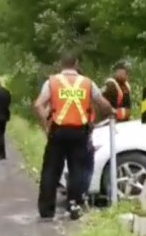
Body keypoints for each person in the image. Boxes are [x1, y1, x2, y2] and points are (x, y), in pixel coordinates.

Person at [32, 53, 114, 221]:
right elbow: (103, 104)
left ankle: (46, 210)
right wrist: (111, 112)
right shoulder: (87, 83)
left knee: (51, 170)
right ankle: (74, 205)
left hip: (58, 130)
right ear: (76, 64)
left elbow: (38, 104)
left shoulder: (52, 82)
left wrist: (45, 125)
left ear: (61, 65)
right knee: (77, 169)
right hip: (79, 132)